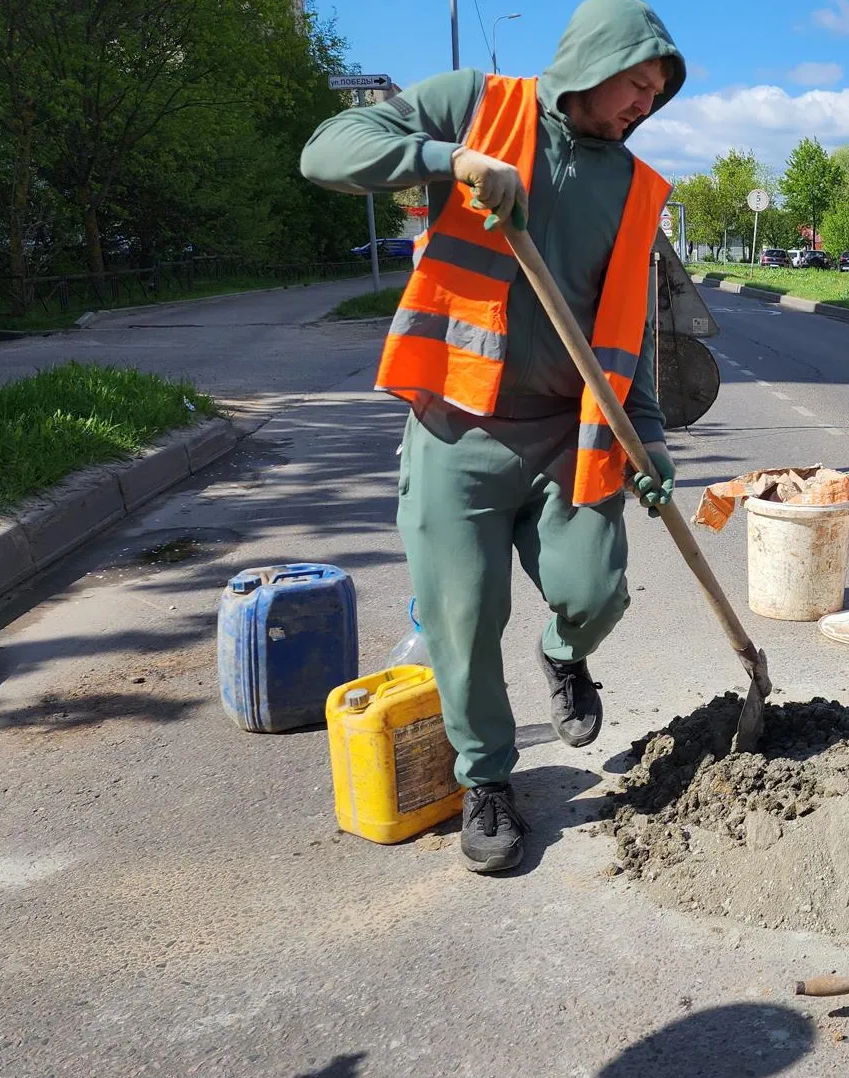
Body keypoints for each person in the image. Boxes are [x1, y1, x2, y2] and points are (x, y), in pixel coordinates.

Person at [299, 0, 684, 873]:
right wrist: (452, 159)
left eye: (657, 94)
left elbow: (631, 334)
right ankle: (489, 782)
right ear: (596, 59)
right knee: (462, 620)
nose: (644, 104)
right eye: (637, 82)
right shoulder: (475, 104)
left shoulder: (635, 189)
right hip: (456, 427)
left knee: (597, 592)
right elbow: (325, 152)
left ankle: (563, 657)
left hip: (566, 436)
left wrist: (649, 441)